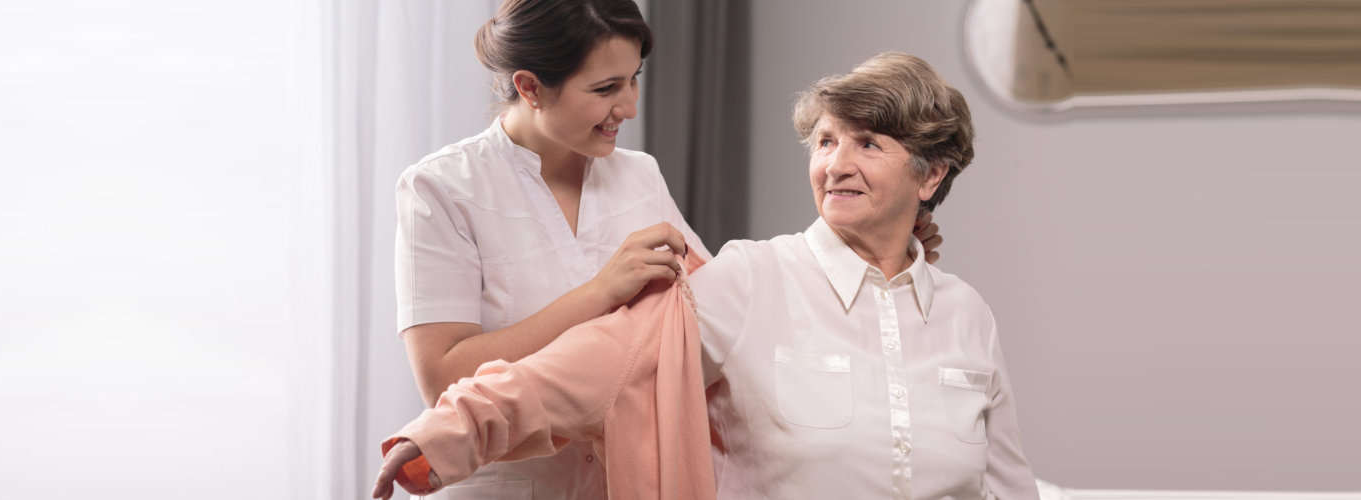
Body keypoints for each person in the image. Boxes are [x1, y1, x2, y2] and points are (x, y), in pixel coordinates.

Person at [376, 51, 1036, 500]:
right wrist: (448, 434)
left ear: (932, 174)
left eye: (867, 144)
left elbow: (1006, 484)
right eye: (826, 141)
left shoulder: (966, 314)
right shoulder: (749, 280)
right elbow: (596, 365)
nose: (836, 164)